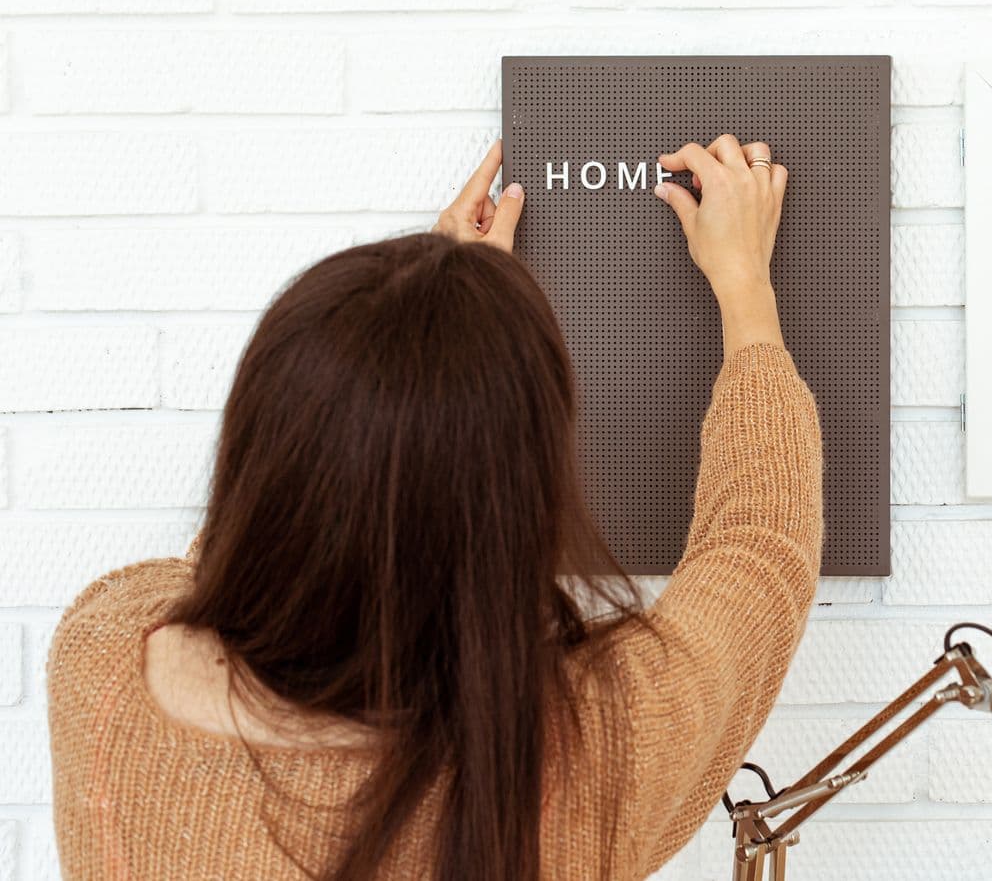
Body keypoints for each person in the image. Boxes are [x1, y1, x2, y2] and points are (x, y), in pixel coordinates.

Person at [46, 136, 822, 881]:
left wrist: (417, 352)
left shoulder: (105, 660)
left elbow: (256, 532)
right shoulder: (594, 746)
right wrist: (745, 285)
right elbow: (759, 554)